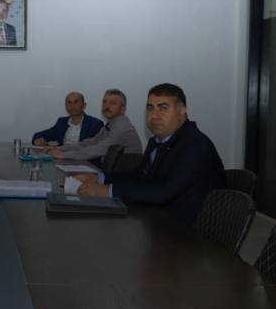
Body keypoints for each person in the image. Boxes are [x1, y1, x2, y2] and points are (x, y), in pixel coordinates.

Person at [73, 83, 225, 225]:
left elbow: (164, 193)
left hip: (189, 233)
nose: (154, 115)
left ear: (182, 111)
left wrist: (110, 191)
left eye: (163, 108)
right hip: (157, 219)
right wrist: (100, 178)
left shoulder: (195, 144)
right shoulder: (157, 141)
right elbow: (139, 176)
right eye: (150, 108)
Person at [44, 89, 142, 160]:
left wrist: (63, 155)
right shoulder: (110, 125)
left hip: (124, 179)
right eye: (105, 102)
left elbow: (98, 149)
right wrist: (59, 149)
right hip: (114, 173)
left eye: (112, 103)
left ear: (123, 109)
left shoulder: (121, 127)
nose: (107, 106)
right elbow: (89, 143)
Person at [32, 92, 104, 146]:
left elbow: (94, 151)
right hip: (62, 159)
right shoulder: (62, 122)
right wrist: (38, 139)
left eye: (76, 102)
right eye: (69, 102)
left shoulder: (95, 124)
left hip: (83, 160)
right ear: (65, 106)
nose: (72, 106)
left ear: (84, 105)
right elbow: (40, 134)